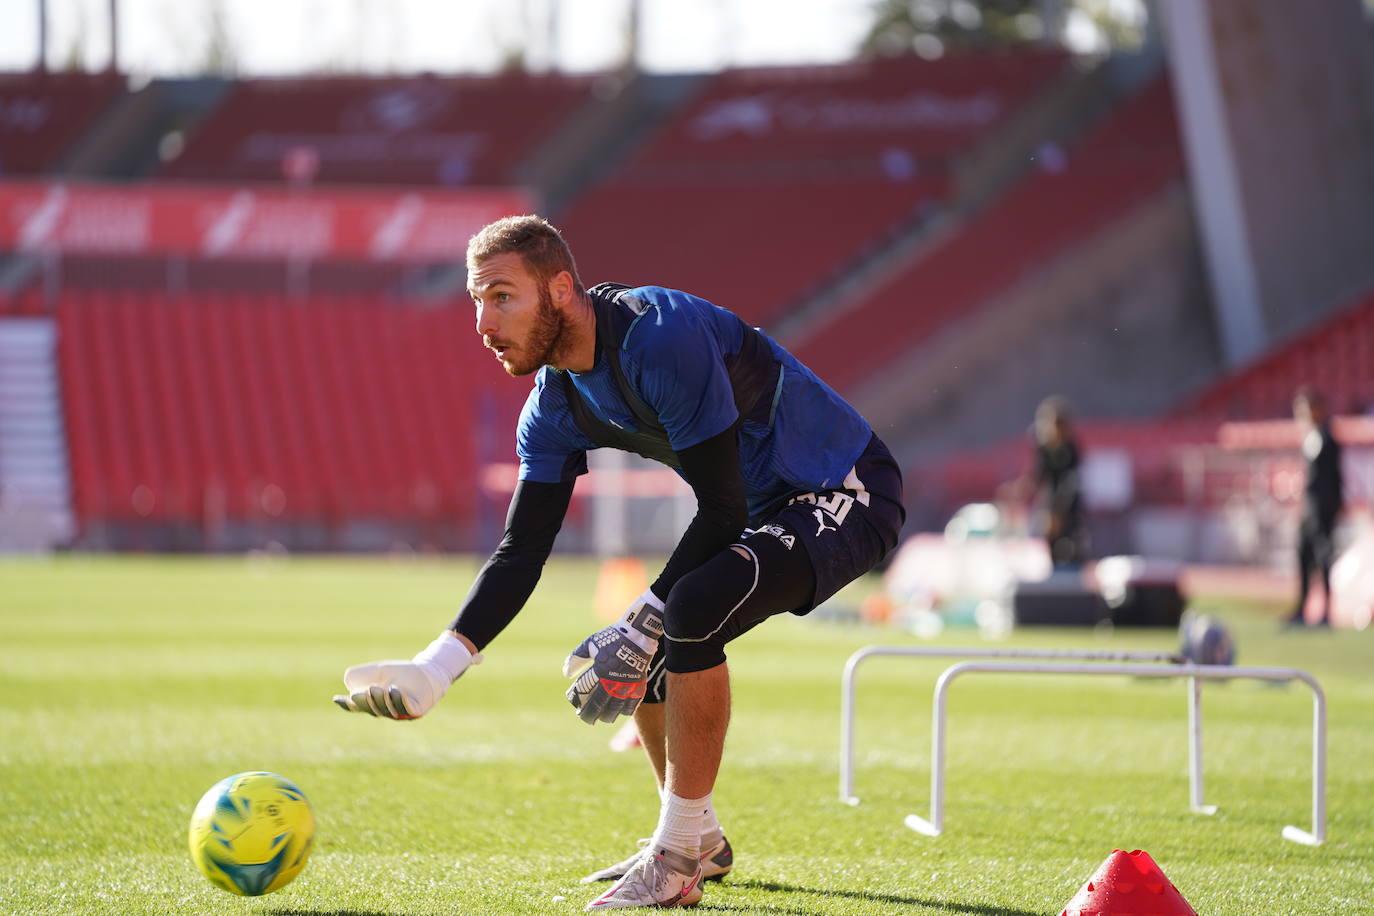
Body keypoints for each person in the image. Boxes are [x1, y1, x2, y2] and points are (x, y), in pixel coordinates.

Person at [332, 215, 905, 910]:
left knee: (679, 613)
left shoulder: (660, 339)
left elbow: (721, 511)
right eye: (475, 300)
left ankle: (677, 855)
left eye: (502, 296)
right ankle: (703, 839)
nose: (483, 321)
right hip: (762, 509)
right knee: (647, 631)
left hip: (845, 489)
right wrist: (436, 668)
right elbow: (521, 551)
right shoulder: (550, 408)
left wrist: (642, 620)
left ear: (562, 290)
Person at [1287, 386, 1342, 627]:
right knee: (1304, 555)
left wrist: (1331, 507)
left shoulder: (1327, 438)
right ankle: (1302, 608)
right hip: (1309, 509)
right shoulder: (1310, 438)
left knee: (1323, 558)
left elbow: (1333, 478)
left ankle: (1326, 612)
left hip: (1322, 509)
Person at [1031, 396, 1083, 567]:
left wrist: (1059, 513)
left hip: (1069, 509)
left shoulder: (1071, 450)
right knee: (1049, 547)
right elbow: (1039, 478)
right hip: (1049, 506)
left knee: (1070, 547)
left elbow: (1071, 484)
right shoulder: (1044, 450)